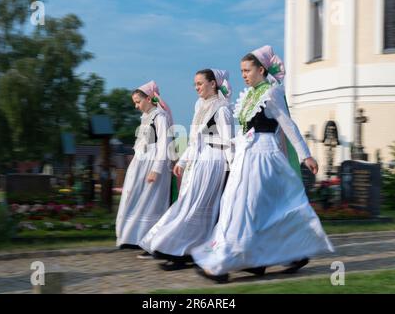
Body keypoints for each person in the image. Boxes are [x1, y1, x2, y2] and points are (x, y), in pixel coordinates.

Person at [191, 45, 334, 283]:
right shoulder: (249, 95)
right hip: (247, 156)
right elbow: (245, 131)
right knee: (244, 206)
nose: (244, 75)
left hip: (263, 156)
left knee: (245, 208)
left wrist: (304, 155)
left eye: (247, 70)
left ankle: (223, 264)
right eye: (241, 71)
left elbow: (288, 125)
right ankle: (260, 259)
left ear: (261, 69)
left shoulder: (272, 92)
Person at [139, 69, 234, 269]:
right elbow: (194, 139)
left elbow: (228, 143)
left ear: (213, 84)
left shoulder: (222, 109)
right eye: (195, 84)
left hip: (213, 163)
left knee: (196, 207)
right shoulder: (200, 105)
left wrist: (232, 170)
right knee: (190, 205)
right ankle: (181, 249)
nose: (197, 88)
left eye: (200, 83)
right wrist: (182, 162)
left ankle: (180, 249)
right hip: (198, 161)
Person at [115, 80, 173, 257]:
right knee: (137, 201)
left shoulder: (160, 117)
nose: (136, 106)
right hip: (141, 164)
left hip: (153, 165)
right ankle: (135, 237)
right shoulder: (146, 118)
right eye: (135, 102)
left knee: (152, 204)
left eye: (138, 102)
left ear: (148, 99)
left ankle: (152, 242)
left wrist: (156, 169)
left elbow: (164, 144)